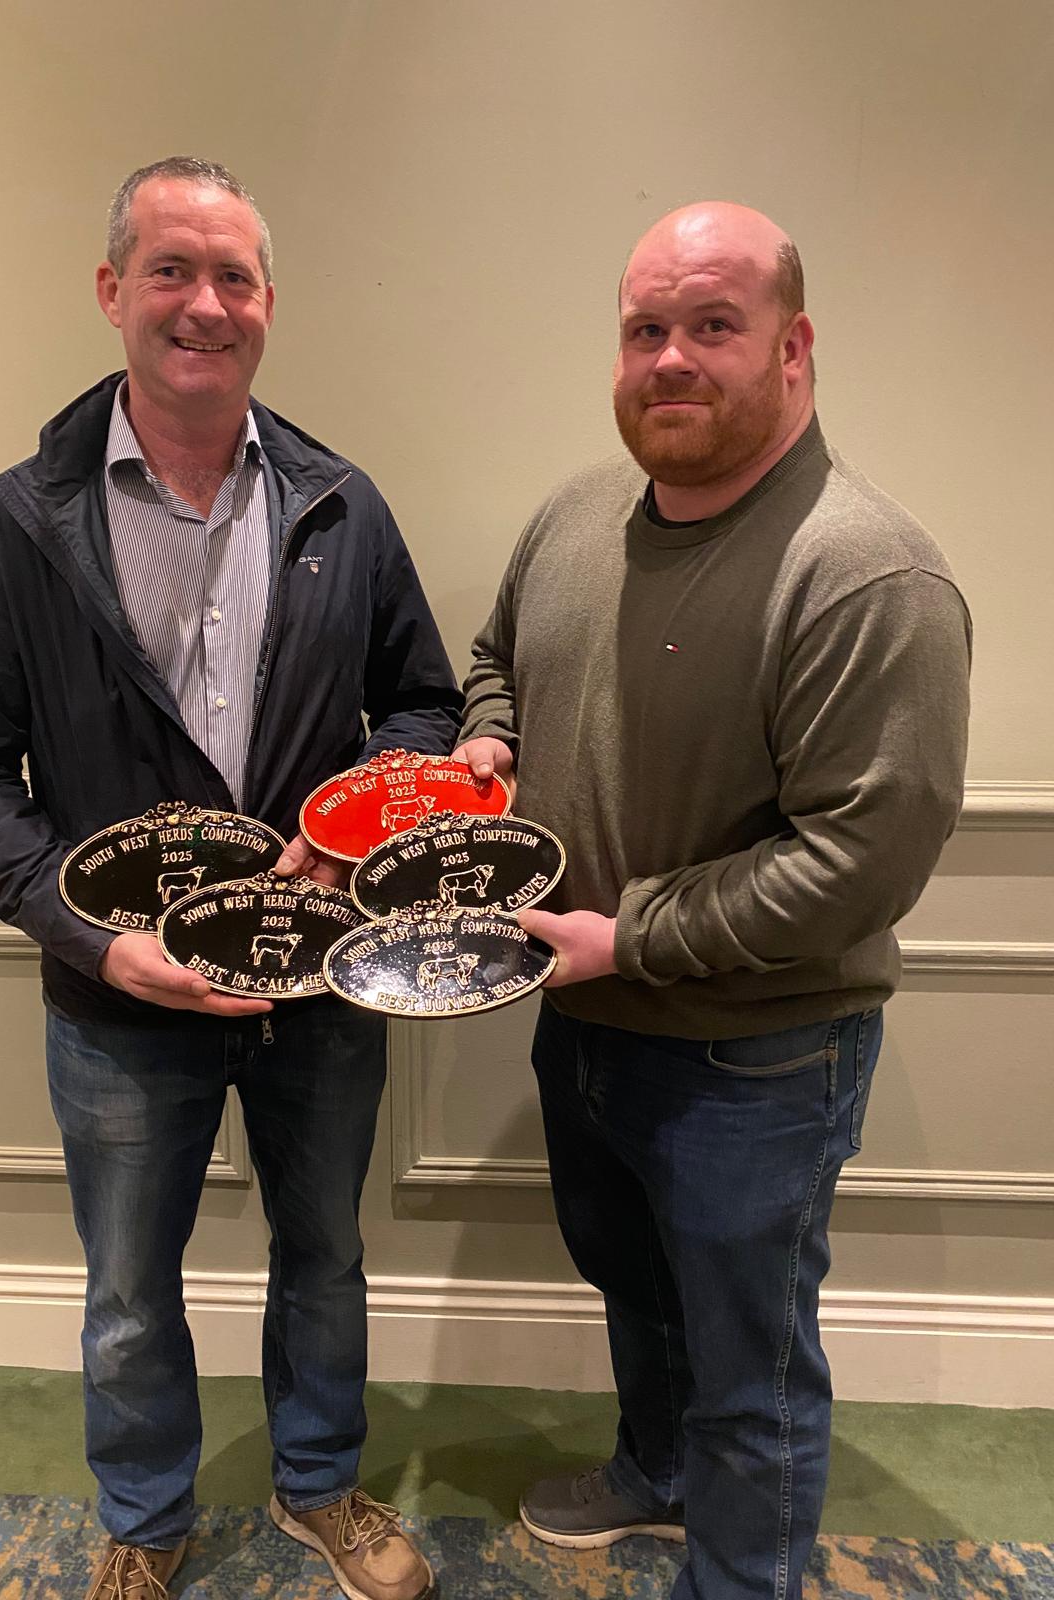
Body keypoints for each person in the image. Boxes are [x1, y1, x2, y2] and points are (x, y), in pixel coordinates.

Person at [0, 156, 458, 1600]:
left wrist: (347, 822)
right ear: (113, 291)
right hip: (120, 999)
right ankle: (145, 1521)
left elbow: (423, 703)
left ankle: (320, 1486)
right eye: (170, 270)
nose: (203, 304)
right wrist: (93, 940)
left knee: (323, 1255)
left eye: (233, 277)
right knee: (127, 1291)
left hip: (316, 977)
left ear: (268, 303)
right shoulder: (12, 525)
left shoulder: (342, 505)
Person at [455, 201, 970, 1600]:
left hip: (759, 1058)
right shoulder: (574, 515)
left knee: (752, 1372)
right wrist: (489, 737)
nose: (669, 357)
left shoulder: (869, 574)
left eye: (712, 325)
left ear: (793, 348)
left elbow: (862, 858)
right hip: (584, 1017)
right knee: (636, 1287)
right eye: (645, 329)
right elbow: (494, 658)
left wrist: (632, 936)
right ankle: (656, 1475)